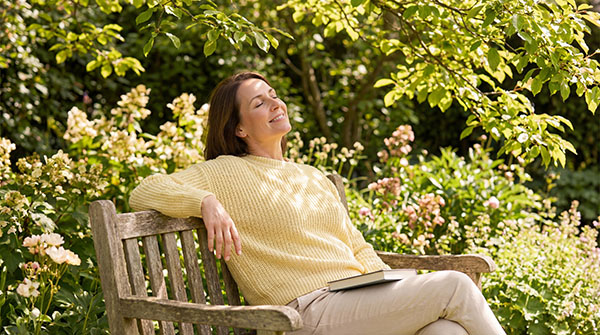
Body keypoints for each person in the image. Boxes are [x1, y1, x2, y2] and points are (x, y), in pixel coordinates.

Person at [129, 71, 506, 335]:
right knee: (454, 286)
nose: (276, 104)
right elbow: (144, 190)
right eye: (260, 103)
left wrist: (386, 282)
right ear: (239, 128)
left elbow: (356, 245)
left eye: (274, 95)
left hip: (357, 299)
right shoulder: (223, 171)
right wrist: (205, 200)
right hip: (301, 315)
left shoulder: (310, 175)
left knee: (445, 330)